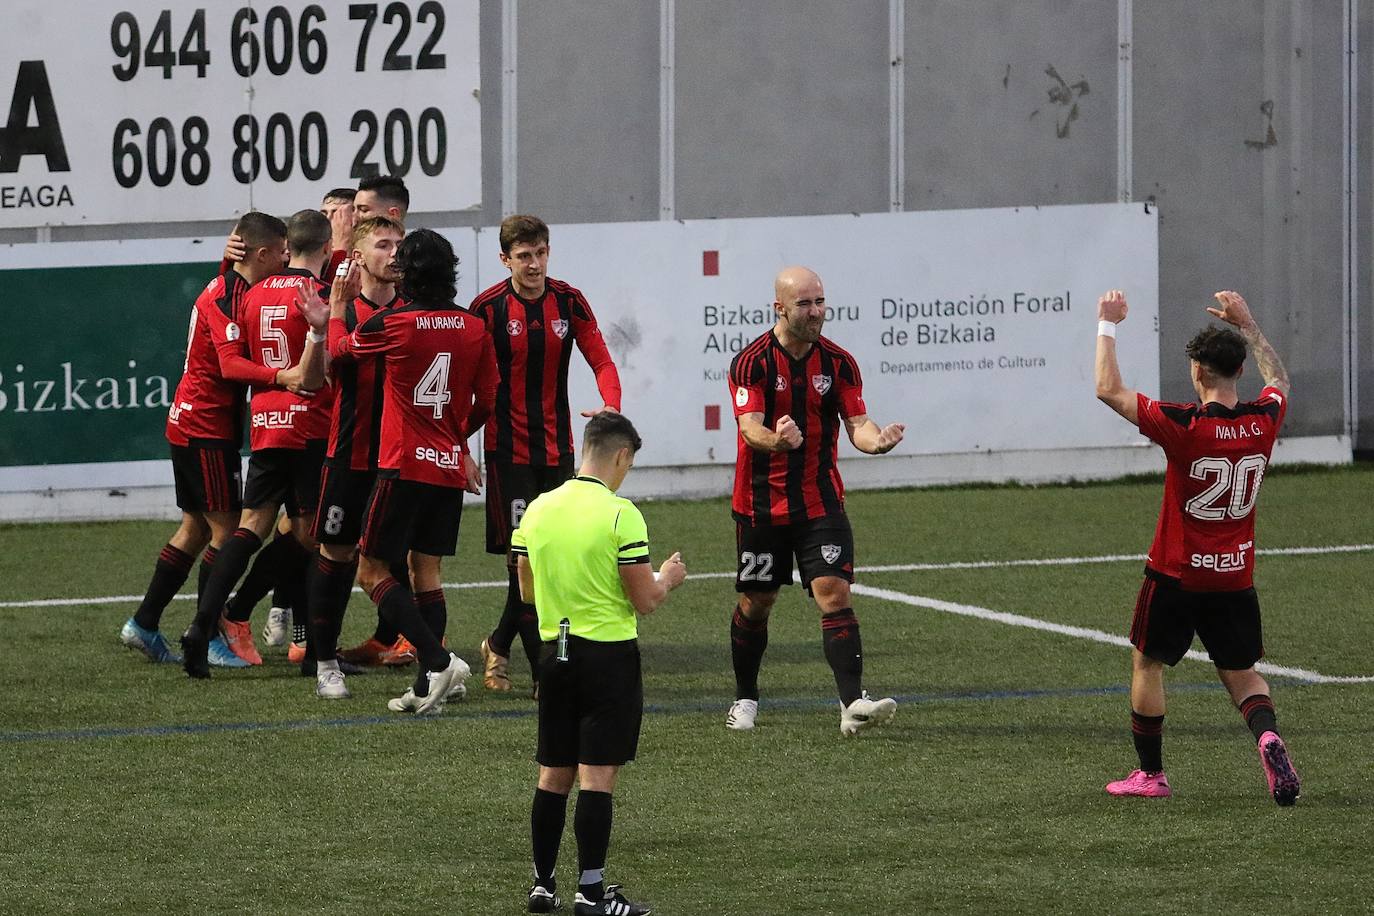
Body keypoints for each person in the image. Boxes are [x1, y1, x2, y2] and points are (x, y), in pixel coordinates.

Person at [1095, 289, 1301, 805]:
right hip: (1235, 574)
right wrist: (1250, 325)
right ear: (1236, 371)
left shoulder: (1184, 425)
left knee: (1148, 663)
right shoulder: (1263, 421)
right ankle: (1268, 737)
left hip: (1176, 572)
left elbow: (1107, 388)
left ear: (1199, 373)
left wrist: (1107, 323)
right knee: (1241, 672)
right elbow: (1278, 380)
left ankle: (1151, 776)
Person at [512, 412, 686, 915]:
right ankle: (590, 893)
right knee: (596, 777)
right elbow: (645, 599)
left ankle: (543, 886)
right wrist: (669, 577)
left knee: (552, 774)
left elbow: (526, 589)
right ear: (622, 456)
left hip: (554, 654)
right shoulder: (620, 514)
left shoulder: (539, 510)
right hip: (606, 656)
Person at [724, 266, 903, 735]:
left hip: (820, 502)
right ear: (779, 308)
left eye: (820, 301)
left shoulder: (839, 363)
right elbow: (750, 427)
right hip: (761, 506)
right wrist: (777, 439)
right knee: (757, 603)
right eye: (805, 304)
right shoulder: (752, 363)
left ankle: (852, 704)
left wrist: (874, 442)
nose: (816, 312)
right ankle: (745, 696)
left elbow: (858, 423)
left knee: (834, 592)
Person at [118, 212, 288, 663]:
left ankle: (144, 623)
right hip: (207, 427)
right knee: (226, 530)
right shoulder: (232, 296)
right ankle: (210, 636)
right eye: (282, 251)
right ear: (264, 253)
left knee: (195, 528)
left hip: (190, 420)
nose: (288, 259)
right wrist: (282, 376)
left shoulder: (229, 286)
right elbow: (232, 367)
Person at [472, 214, 622, 697]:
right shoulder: (488, 308)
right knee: (523, 563)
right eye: (523, 256)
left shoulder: (568, 300)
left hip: (558, 452)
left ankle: (498, 644)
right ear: (505, 259)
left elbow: (600, 358)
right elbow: (467, 382)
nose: (533, 265)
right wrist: (458, 445)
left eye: (540, 254)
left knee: (548, 560)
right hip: (506, 452)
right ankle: (544, 671)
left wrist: (610, 404)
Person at [348, 228, 496, 713]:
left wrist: (331, 309)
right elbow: (487, 401)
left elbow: (340, 350)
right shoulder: (475, 326)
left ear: (407, 273)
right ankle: (427, 685)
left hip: (402, 465)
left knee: (371, 571)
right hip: (447, 467)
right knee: (426, 571)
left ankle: (437, 661)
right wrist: (456, 439)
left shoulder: (394, 322)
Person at [181, 209, 333, 678]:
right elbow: (323, 367)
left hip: (266, 424)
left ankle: (201, 626)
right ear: (326, 250)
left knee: (250, 529)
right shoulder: (322, 296)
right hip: (310, 425)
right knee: (311, 536)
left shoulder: (250, 295)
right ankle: (310, 650)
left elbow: (239, 357)